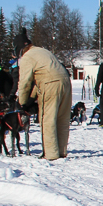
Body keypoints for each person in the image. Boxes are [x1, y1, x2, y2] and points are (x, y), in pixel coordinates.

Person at [15, 27, 72, 160]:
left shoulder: (27, 57)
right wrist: (32, 97)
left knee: (47, 119)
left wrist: (22, 103)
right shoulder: (42, 51)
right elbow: (41, 78)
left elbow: (25, 83)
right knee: (62, 118)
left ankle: (51, 154)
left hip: (50, 84)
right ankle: (62, 151)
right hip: (65, 82)